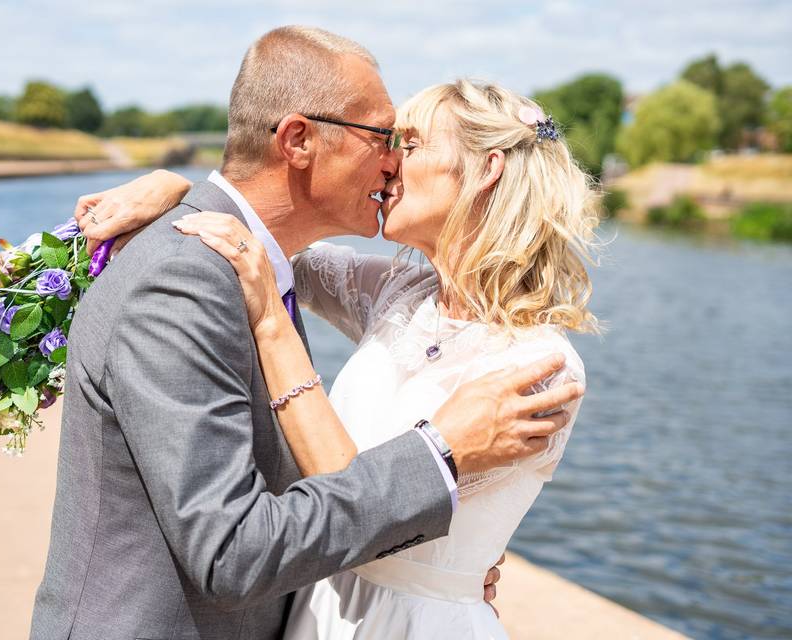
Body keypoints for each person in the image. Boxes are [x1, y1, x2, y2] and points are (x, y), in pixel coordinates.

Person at [31, 27, 582, 640]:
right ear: (297, 140)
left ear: (486, 171)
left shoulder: (538, 366)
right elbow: (233, 547)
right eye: (384, 137)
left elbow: (274, 248)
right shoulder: (194, 279)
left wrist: (456, 569)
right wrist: (176, 190)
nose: (392, 159)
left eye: (410, 142)